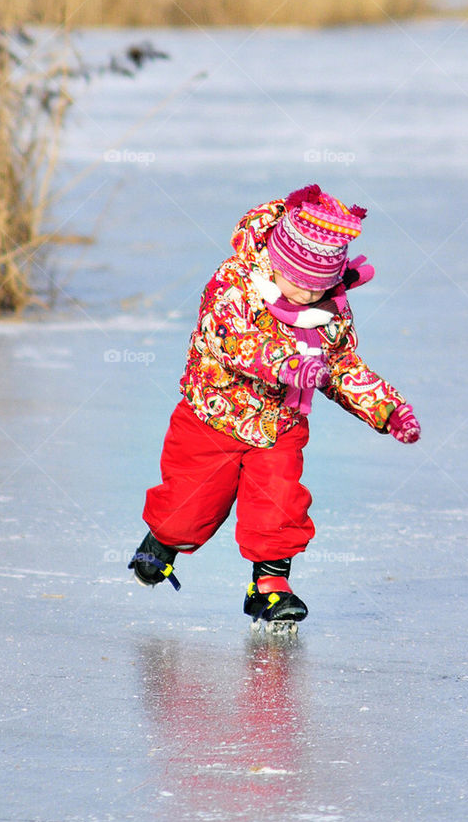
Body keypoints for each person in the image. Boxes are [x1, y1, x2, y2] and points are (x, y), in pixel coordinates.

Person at [128, 185, 421, 627]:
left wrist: (385, 407)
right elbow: (231, 342)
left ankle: (269, 587)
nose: (307, 296)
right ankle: (162, 541)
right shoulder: (235, 285)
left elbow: (338, 366)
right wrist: (285, 365)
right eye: (300, 284)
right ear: (279, 262)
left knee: (280, 506)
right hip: (214, 416)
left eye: (319, 287)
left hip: (280, 427)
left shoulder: (329, 309)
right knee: (189, 507)